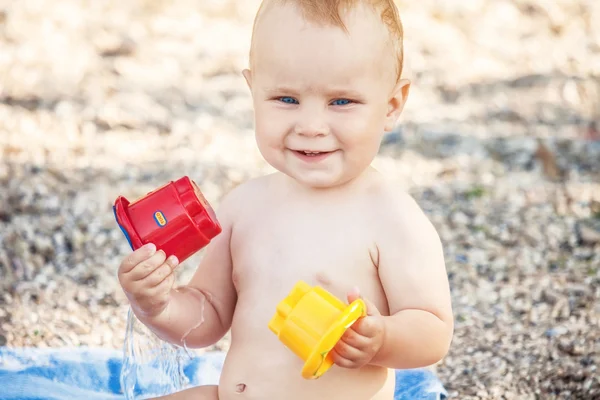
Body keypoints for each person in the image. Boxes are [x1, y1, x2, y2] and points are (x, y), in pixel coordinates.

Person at [117, 0, 454, 398]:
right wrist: (158, 305)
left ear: (391, 106)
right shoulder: (244, 207)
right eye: (286, 99)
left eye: (341, 101)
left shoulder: (392, 218)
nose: (311, 126)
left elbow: (433, 329)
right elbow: (206, 318)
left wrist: (382, 339)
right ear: (253, 91)